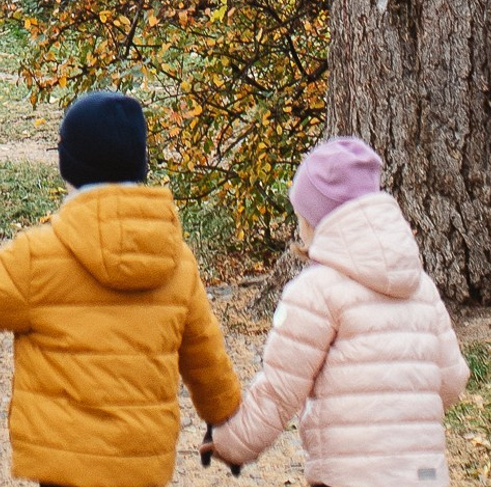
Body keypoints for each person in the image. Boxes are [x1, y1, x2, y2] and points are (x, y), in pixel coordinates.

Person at [0, 91, 240, 487]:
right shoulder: (177, 261)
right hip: (142, 464)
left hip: (66, 465)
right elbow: (205, 353)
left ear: (68, 165)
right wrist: (225, 421)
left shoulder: (41, 256)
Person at [198, 137, 467, 486]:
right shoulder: (421, 287)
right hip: (424, 476)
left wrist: (231, 443)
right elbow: (452, 381)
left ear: (315, 221)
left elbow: (280, 392)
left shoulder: (316, 292)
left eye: (301, 217)